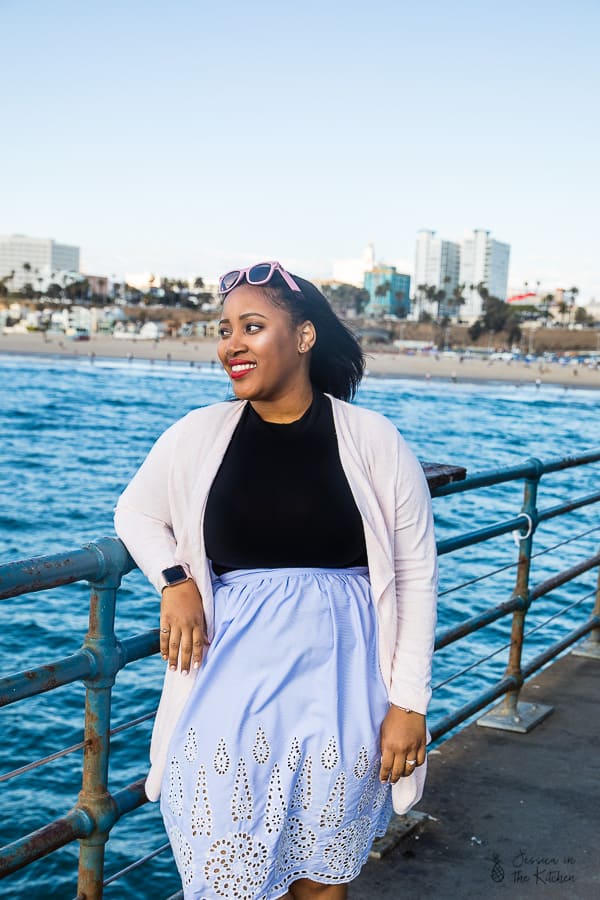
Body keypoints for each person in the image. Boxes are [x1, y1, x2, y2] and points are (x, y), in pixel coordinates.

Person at [114, 261, 438, 900]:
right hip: (228, 688)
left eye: (252, 326)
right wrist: (175, 580)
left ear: (305, 337)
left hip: (343, 691)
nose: (231, 343)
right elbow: (135, 511)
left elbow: (417, 576)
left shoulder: (372, 439)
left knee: (321, 880)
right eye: (225, 329)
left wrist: (409, 706)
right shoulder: (198, 435)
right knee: (223, 868)